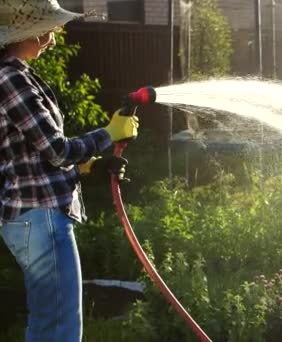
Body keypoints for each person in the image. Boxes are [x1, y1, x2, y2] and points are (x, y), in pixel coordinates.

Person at [0, 1, 139, 341]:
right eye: (48, 30)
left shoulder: (18, 76)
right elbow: (56, 149)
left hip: (36, 218)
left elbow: (31, 158)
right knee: (59, 331)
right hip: (41, 219)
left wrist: (91, 164)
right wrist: (109, 134)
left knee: (50, 326)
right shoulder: (10, 78)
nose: (53, 39)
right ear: (27, 32)